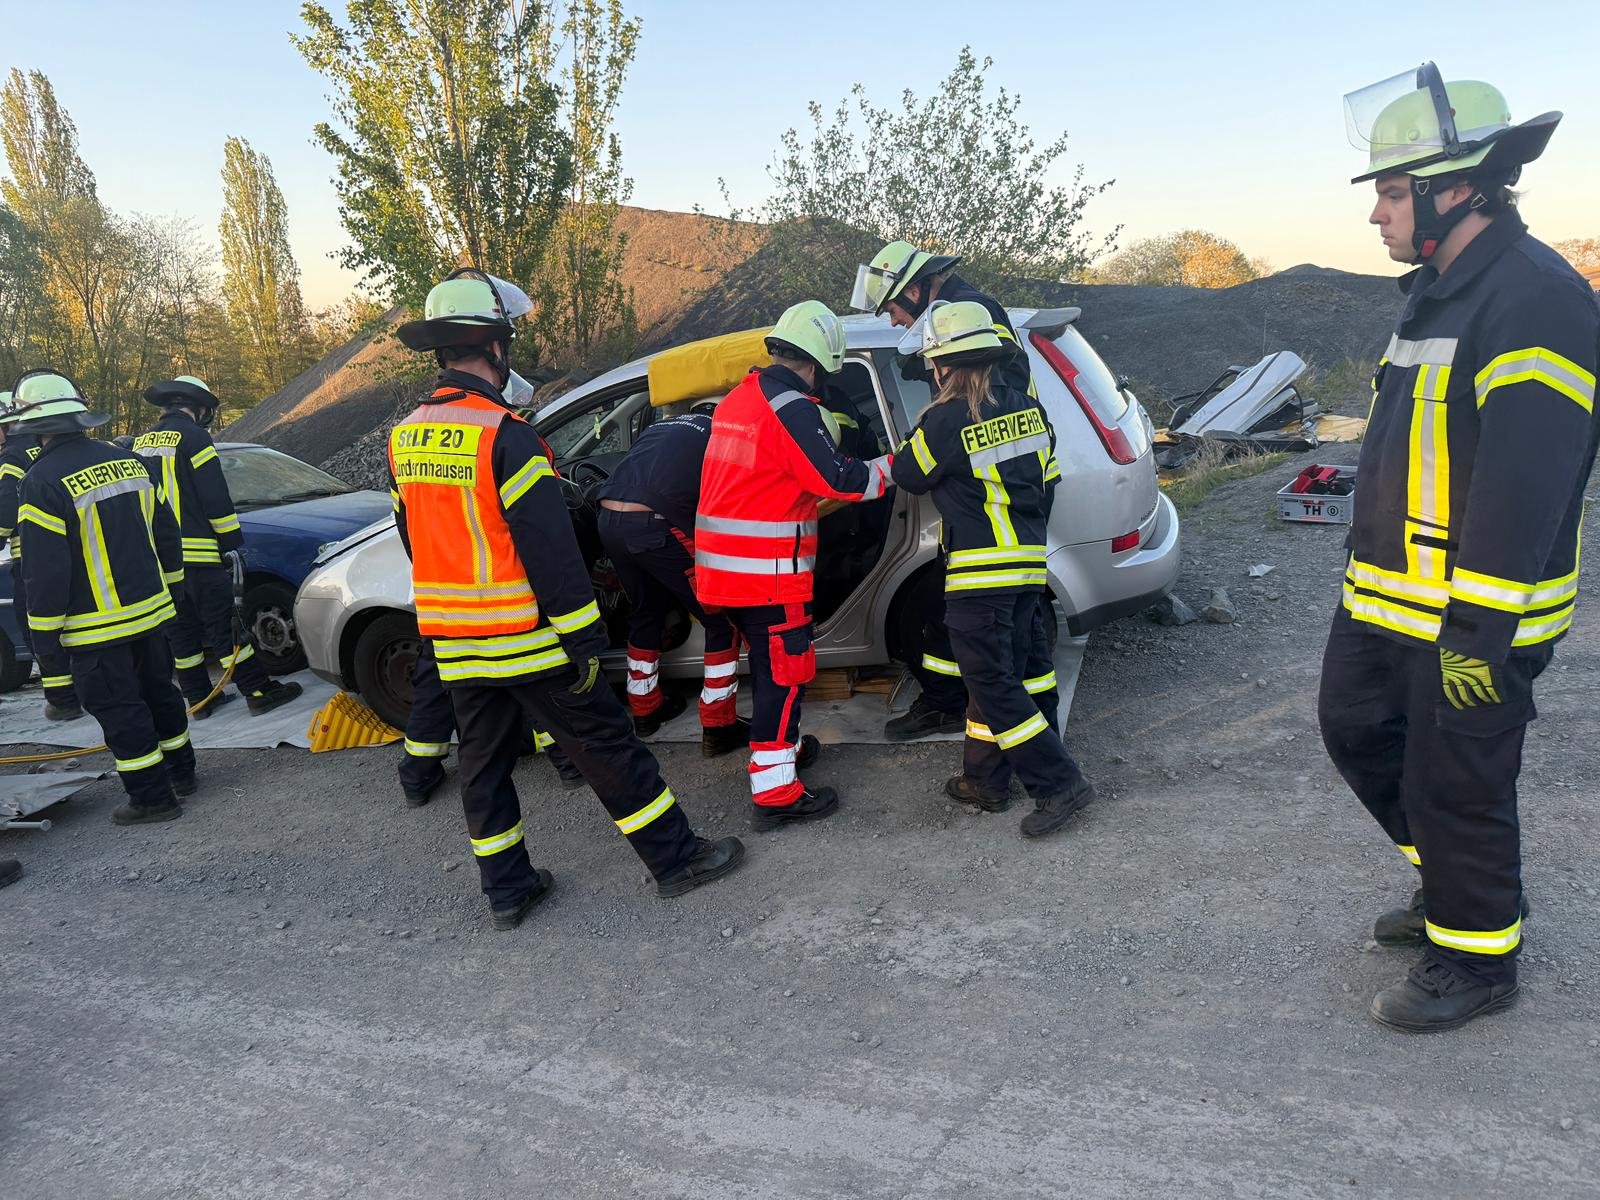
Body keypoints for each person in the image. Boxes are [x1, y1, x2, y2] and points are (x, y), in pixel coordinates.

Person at [1321, 64, 1598, 1032]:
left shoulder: (1535, 300)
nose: (1378, 216)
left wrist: (1479, 632)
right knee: (1356, 735)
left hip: (1471, 616)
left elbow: (1526, 484)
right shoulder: (1436, 292)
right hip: (1385, 602)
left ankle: (1478, 958)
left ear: (1460, 186)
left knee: (1457, 784)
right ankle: (1455, 891)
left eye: (1392, 193)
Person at [390, 267, 744, 928]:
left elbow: (416, 539)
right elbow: (550, 551)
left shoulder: (407, 434)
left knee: (484, 769)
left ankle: (508, 889)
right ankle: (676, 861)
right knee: (608, 749)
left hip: (455, 643)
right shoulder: (505, 434)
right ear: (495, 344)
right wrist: (583, 640)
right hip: (527, 639)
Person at [889, 302, 1095, 836]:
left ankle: (1057, 783)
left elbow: (909, 475)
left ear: (945, 366)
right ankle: (986, 780)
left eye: (933, 364)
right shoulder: (1030, 411)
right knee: (1029, 672)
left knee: (993, 684)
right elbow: (1048, 484)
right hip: (1029, 567)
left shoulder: (946, 419)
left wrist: (919, 428)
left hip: (980, 577)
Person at [851, 241, 1062, 740]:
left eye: (895, 308)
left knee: (973, 626)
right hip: (1008, 487)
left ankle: (982, 716)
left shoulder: (968, 316)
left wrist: (936, 439)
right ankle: (1006, 722)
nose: (897, 322)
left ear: (920, 290)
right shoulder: (958, 311)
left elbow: (982, 405)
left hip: (995, 493)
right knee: (998, 627)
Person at [695, 300, 893, 829]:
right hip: (768, 576)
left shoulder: (740, 399)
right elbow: (840, 481)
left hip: (723, 573)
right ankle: (776, 792)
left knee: (766, 673)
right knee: (784, 675)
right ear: (819, 362)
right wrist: (900, 465)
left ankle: (778, 749)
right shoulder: (793, 408)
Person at [11, 370, 196, 825]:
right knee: (160, 693)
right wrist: (171, 590)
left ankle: (153, 799)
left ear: (34, 426)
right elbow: (167, 534)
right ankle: (183, 774)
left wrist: (46, 646)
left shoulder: (41, 481)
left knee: (121, 710)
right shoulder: (130, 461)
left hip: (96, 627)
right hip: (152, 613)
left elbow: (45, 574)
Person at [134, 377, 301, 717]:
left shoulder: (140, 444)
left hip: (160, 561)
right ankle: (258, 690)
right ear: (199, 408)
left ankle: (199, 700)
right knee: (225, 628)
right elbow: (214, 496)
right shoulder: (195, 438)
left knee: (181, 634)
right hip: (198, 558)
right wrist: (231, 543)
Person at [596, 410, 749, 754]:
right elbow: (728, 498)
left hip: (608, 519)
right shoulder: (720, 434)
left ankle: (646, 710)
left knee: (646, 611)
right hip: (655, 522)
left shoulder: (661, 426)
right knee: (721, 619)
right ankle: (719, 725)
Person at [0, 392, 81, 719]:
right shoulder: (50, 447)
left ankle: (64, 699)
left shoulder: (12, 459)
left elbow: (6, 511)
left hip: (31, 561)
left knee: (38, 630)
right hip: (77, 551)